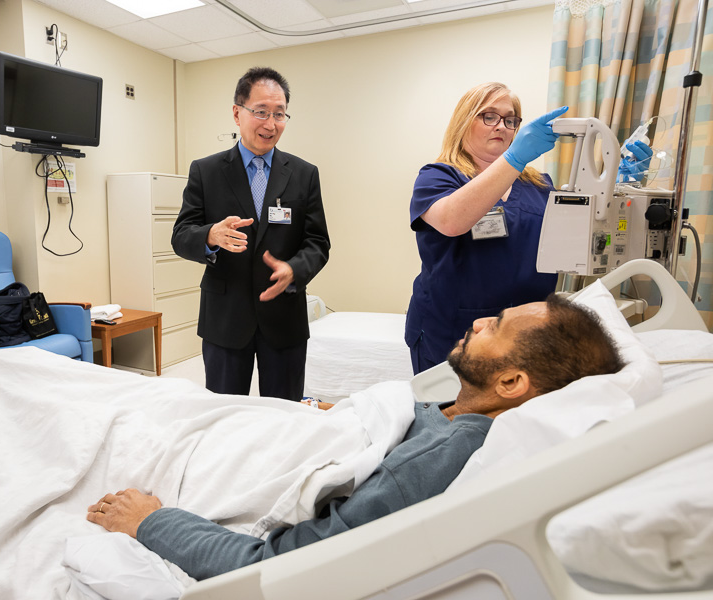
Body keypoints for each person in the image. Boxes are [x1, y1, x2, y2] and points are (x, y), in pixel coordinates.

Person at [87, 294, 624, 580]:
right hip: (266, 422)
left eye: (499, 325)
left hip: (194, 452)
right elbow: (398, 423)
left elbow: (276, 566)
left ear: (511, 383)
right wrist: (340, 414)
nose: (481, 319)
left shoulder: (437, 462)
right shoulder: (460, 414)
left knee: (76, 403)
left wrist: (151, 520)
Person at [404, 82, 650, 375]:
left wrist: (620, 185)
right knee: (450, 414)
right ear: (463, 121)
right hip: (452, 328)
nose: (502, 126)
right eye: (489, 116)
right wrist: (514, 159)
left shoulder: (539, 184)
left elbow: (585, 234)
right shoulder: (438, 176)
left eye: (510, 120)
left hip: (526, 330)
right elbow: (452, 221)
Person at [171, 67, 330, 401]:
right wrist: (210, 235)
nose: (270, 124)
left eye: (279, 114)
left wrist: (295, 270)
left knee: (285, 416)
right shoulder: (206, 171)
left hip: (284, 317)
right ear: (237, 113)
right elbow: (181, 234)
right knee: (224, 416)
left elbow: (317, 243)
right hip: (225, 318)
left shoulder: (303, 174)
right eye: (260, 112)